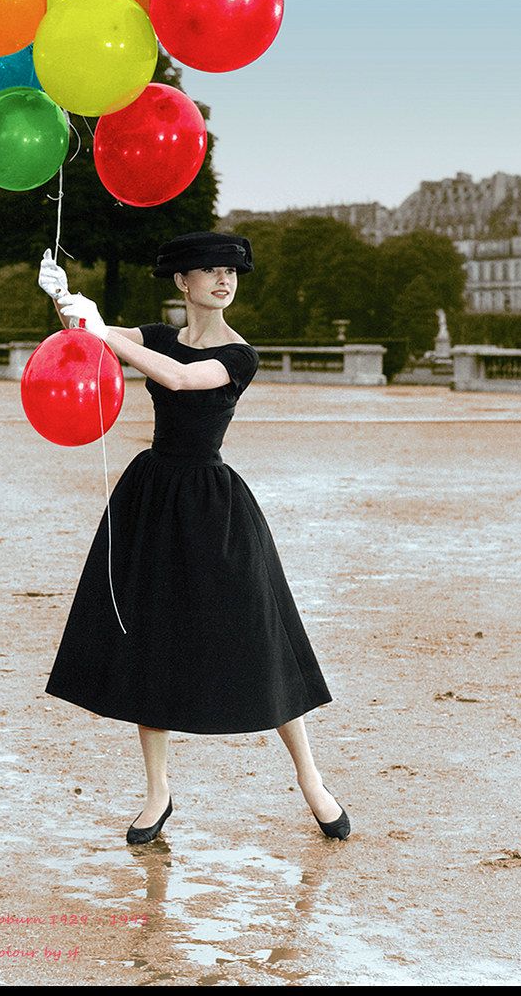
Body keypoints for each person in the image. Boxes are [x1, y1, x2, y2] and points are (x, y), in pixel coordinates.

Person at [38, 231, 351, 845]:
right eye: (209, 271)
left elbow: (180, 380)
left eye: (231, 272)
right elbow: (91, 336)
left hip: (214, 504)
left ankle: (311, 781)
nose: (224, 281)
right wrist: (66, 300)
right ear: (184, 282)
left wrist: (102, 330)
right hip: (152, 496)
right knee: (149, 639)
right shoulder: (161, 336)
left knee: (259, 635)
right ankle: (158, 794)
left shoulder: (239, 356)